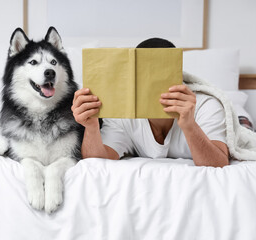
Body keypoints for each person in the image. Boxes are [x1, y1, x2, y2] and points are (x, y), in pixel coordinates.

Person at [72, 38, 229, 167]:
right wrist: (91, 128)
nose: (152, 86)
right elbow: (98, 162)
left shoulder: (206, 105)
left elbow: (219, 164)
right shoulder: (123, 113)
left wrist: (190, 126)